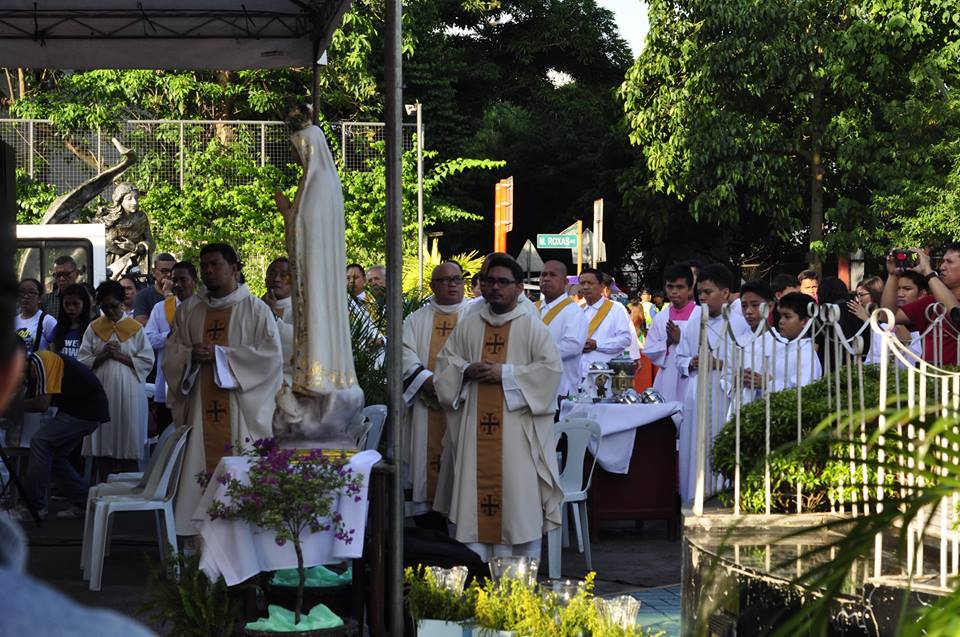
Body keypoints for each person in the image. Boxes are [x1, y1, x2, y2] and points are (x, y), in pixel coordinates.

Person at [434, 255, 562, 562]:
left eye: (503, 282)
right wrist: (466, 370)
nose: (495, 288)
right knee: (473, 507)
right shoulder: (469, 324)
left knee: (516, 504)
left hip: (516, 433)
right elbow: (445, 364)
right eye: (489, 281)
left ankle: (518, 577)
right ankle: (476, 572)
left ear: (519, 288)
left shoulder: (532, 327)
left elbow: (551, 372)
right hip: (474, 433)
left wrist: (504, 374)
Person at [163, 242, 283, 535]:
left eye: (216, 265)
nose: (208, 271)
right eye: (204, 266)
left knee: (241, 495)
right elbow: (171, 352)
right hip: (200, 412)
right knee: (198, 482)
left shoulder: (256, 310)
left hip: (240, 414)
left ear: (235, 269)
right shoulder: (189, 310)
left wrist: (220, 356)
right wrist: (191, 355)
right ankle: (198, 550)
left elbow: (270, 360)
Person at [273, 122, 365, 442]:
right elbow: (301, 230)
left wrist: (293, 218)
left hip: (318, 277)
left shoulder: (321, 183)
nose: (297, 159)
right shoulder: (312, 183)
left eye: (299, 151)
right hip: (308, 275)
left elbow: (310, 231)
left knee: (319, 322)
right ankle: (310, 382)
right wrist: (289, 216)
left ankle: (321, 379)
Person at [675, 264, 750, 504]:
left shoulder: (739, 325)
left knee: (717, 446)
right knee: (693, 450)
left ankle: (720, 500)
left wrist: (720, 364)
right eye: (701, 293)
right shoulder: (694, 323)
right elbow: (679, 358)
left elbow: (748, 364)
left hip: (722, 397)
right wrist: (692, 362)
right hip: (695, 394)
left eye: (709, 292)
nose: (703, 297)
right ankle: (691, 501)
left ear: (726, 294)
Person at [401, 262, 469, 526]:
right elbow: (403, 352)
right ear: (433, 286)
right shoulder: (416, 319)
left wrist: (453, 385)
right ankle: (429, 533)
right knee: (424, 470)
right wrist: (426, 380)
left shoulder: (476, 317)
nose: (452, 284)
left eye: (457, 279)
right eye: (445, 280)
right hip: (425, 404)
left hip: (462, 405)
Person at [16, 347, 111, 520]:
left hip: (85, 409)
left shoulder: (41, 360)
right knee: (54, 455)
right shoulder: (33, 369)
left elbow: (42, 404)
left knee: (40, 442)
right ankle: (84, 501)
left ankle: (34, 507)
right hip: (87, 409)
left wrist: (11, 406)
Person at [78, 280, 155, 482]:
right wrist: (102, 355)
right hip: (100, 393)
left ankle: (129, 494)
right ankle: (104, 489)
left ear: (122, 303)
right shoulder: (94, 328)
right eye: (105, 307)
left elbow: (147, 360)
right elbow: (82, 360)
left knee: (129, 444)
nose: (110, 311)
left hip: (130, 394)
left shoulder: (135, 328)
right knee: (104, 445)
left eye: (114, 305)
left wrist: (121, 356)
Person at [880, 245, 960, 366]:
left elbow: (955, 312)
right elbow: (887, 317)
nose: (942, 267)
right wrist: (893, 275)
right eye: (943, 262)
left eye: (949, 262)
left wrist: (928, 271)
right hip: (929, 381)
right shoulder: (931, 303)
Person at [145, 261, 198, 435]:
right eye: (174, 280)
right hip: (165, 380)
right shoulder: (161, 308)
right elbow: (149, 338)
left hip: (194, 380)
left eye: (184, 279)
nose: (178, 284)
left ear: (194, 281)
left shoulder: (203, 307)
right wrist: (169, 336)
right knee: (166, 437)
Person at [643, 264, 697, 403]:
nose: (674, 292)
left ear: (690, 288)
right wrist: (667, 342)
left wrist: (681, 339)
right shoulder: (661, 317)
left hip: (692, 376)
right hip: (667, 376)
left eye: (679, 287)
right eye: (670, 286)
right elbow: (649, 350)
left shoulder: (700, 315)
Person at [536, 260, 588, 403]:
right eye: (543, 275)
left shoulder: (573, 311)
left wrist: (535, 355)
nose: (546, 278)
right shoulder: (532, 308)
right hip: (530, 386)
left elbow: (572, 346)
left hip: (560, 390)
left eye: (552, 275)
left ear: (565, 282)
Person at [577, 268, 633, 383]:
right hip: (579, 374)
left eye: (590, 283)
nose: (586, 287)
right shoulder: (577, 310)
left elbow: (625, 339)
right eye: (582, 283)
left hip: (606, 375)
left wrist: (597, 344)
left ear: (602, 286)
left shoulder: (615, 309)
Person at [261, 257, 294, 384]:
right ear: (265, 280)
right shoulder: (253, 307)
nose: (276, 279)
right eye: (272, 274)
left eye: (283, 275)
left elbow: (296, 342)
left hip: (287, 380)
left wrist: (273, 316)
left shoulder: (301, 310)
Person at [50, 283, 93, 359]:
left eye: (76, 304)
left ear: (84, 304)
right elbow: (52, 354)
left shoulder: (92, 328)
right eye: (67, 304)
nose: (71, 308)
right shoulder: (58, 328)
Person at [132, 252, 176, 325]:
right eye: (164, 271)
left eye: (172, 271)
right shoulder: (143, 296)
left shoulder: (181, 293)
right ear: (154, 272)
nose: (169, 274)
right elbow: (140, 323)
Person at [16, 278, 57, 354]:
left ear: (39, 298)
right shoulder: (13, 321)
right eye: (22, 292)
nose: (26, 296)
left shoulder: (47, 321)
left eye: (31, 293)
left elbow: (55, 352)